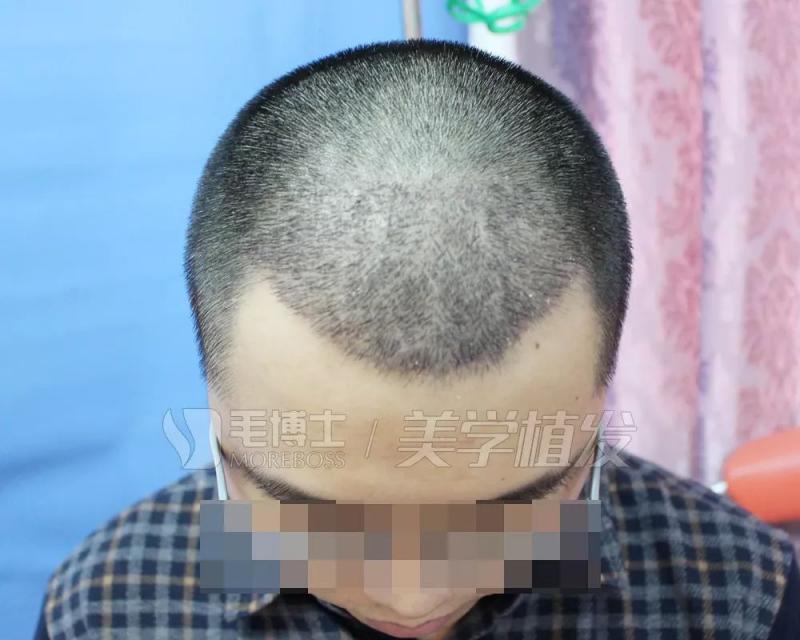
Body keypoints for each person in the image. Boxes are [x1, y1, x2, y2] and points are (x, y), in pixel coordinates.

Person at [35, 39, 799, 639]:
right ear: (215, 407)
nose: (414, 597)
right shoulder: (108, 609)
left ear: (600, 402)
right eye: (321, 521)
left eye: (502, 516)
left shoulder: (741, 601)